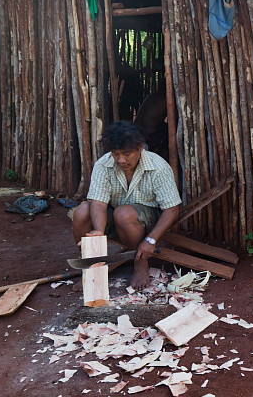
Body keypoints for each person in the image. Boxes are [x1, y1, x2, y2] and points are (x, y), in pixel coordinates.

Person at [72, 121, 181, 289]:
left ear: (141, 147)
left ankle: (140, 263)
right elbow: (98, 202)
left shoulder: (158, 167)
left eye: (127, 154)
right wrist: (99, 230)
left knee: (123, 213)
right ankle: (91, 266)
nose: (121, 160)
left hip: (149, 221)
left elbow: (172, 209)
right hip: (118, 217)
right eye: (115, 154)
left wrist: (151, 239)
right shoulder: (103, 165)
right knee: (82, 211)